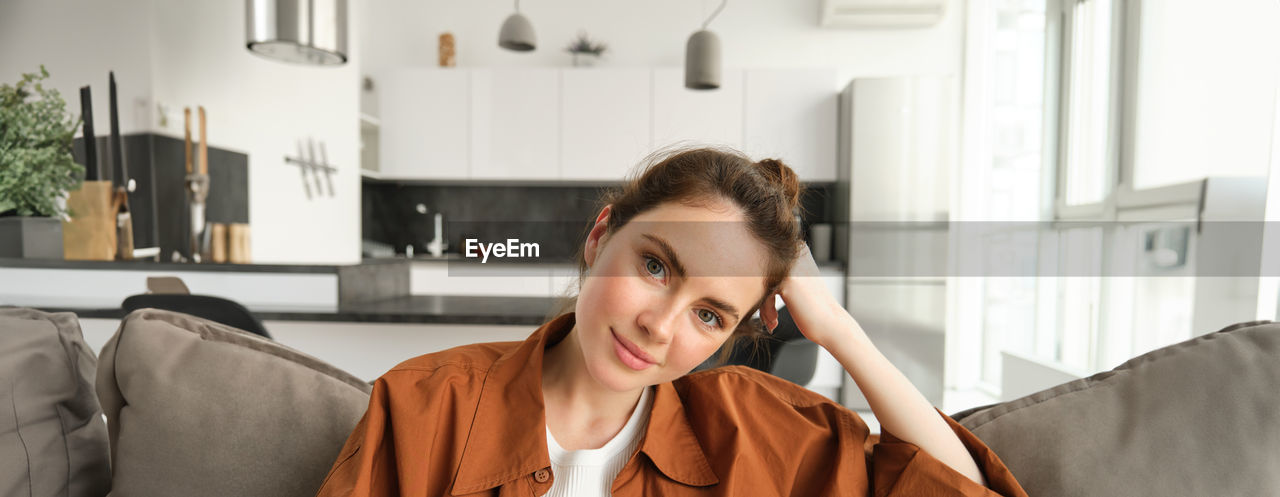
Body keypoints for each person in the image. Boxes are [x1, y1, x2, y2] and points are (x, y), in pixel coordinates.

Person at [315, 147, 1028, 497]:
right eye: (656, 266)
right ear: (601, 235)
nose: (660, 325)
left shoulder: (757, 430)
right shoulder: (420, 405)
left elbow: (960, 488)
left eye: (710, 313)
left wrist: (839, 328)